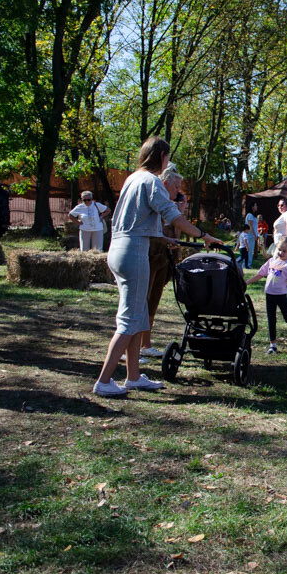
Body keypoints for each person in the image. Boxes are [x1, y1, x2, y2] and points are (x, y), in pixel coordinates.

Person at [93, 137, 220, 397]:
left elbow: (136, 221)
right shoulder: (152, 182)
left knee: (137, 314)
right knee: (129, 320)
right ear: (161, 155)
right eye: (167, 156)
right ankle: (104, 380)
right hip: (134, 252)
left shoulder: (132, 179)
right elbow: (173, 216)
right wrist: (202, 235)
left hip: (118, 248)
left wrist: (166, 238)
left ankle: (133, 376)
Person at [139, 164, 185, 362]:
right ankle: (132, 348)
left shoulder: (171, 206)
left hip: (164, 257)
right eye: (176, 188)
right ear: (166, 183)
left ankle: (145, 344)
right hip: (149, 254)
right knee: (142, 299)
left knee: (154, 300)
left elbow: (176, 234)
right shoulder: (155, 199)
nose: (178, 192)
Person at [246, 236, 287, 355]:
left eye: (284, 251)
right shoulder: (271, 261)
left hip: (281, 297)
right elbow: (260, 274)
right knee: (271, 320)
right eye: (279, 249)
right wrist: (246, 282)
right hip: (269, 296)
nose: (281, 252)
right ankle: (273, 345)